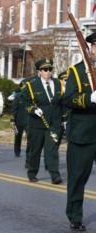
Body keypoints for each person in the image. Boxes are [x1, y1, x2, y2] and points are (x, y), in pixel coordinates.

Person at [63, 32, 96, 231]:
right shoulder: (76, 72)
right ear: (90, 48)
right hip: (82, 134)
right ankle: (75, 215)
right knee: (77, 178)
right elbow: (68, 99)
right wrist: (88, 99)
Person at [21, 58, 63, 184]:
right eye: (45, 70)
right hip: (37, 123)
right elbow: (25, 102)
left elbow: (62, 102)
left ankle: (55, 175)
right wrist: (33, 109)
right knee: (35, 150)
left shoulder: (58, 83)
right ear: (39, 71)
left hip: (54, 123)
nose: (48, 72)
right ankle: (32, 173)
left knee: (52, 151)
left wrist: (64, 119)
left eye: (50, 69)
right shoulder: (31, 85)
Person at [12, 80, 29, 162]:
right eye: (23, 87)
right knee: (18, 136)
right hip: (18, 121)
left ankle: (28, 153)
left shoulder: (30, 97)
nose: (25, 88)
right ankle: (17, 151)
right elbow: (14, 109)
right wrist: (13, 120)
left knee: (30, 138)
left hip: (28, 121)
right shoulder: (18, 96)